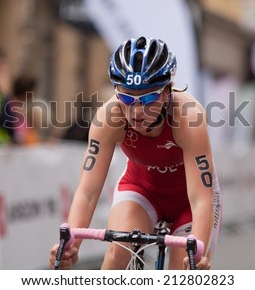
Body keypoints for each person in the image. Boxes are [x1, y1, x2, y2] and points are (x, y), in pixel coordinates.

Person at [49, 36, 222, 270]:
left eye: (148, 98)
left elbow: (201, 199)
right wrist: (72, 245)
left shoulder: (188, 117)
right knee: (116, 255)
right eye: (127, 98)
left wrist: (198, 254)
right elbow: (88, 191)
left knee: (184, 272)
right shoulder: (108, 117)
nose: (136, 110)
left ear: (166, 93)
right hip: (141, 190)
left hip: (189, 203)